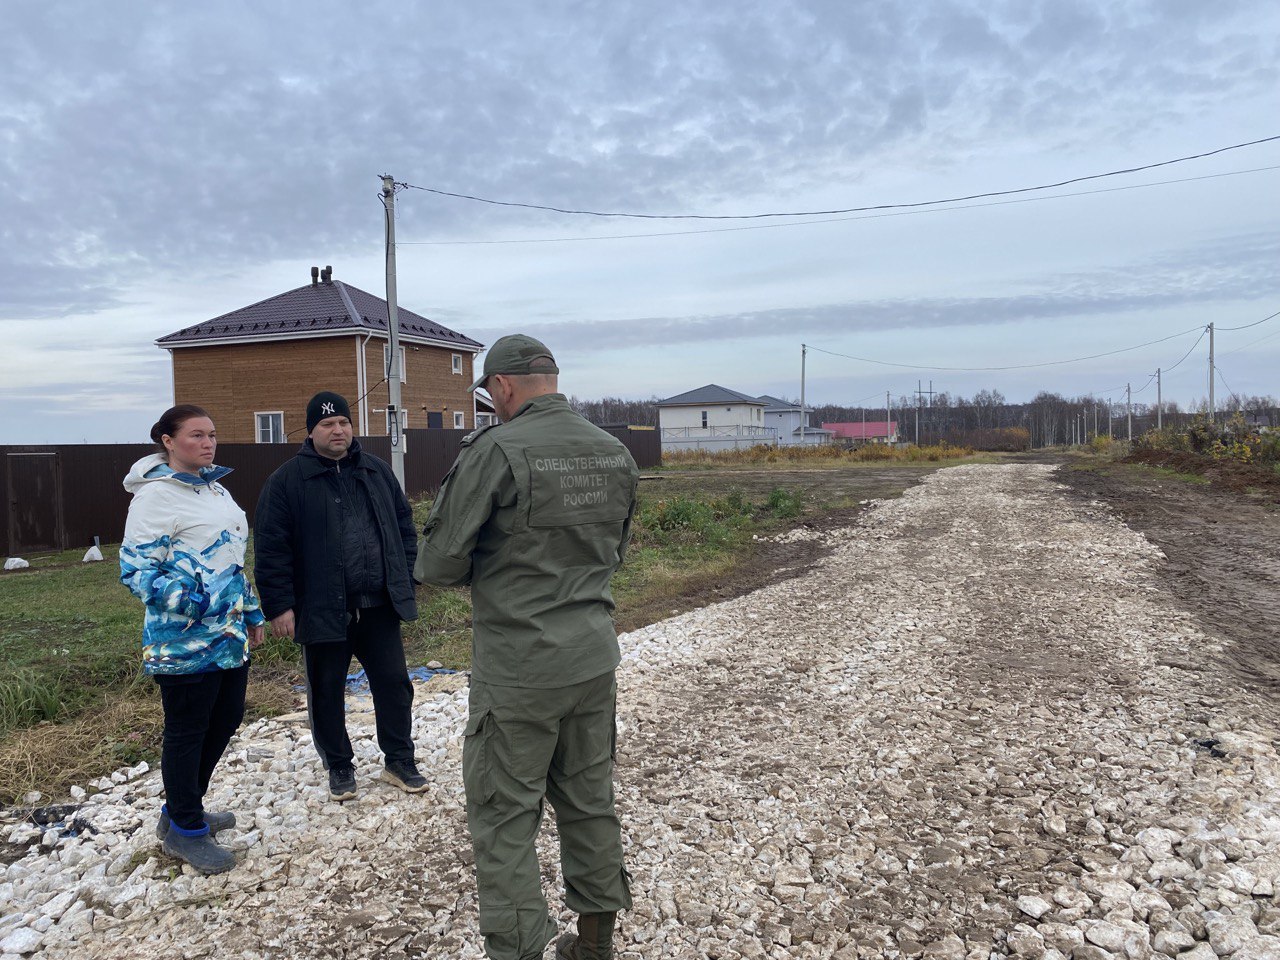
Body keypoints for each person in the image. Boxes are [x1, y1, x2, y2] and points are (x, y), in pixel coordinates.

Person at [415, 335, 639, 960]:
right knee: (590, 800)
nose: (492, 404)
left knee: (505, 814)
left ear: (504, 387)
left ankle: (516, 951)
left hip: (519, 669)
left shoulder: (497, 449)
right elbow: (615, 552)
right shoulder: (613, 450)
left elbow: (439, 562)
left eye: (489, 394)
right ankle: (595, 945)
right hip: (593, 658)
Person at [253, 391, 426, 802]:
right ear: (311, 431)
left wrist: (408, 577)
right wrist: (279, 606)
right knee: (327, 688)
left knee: (394, 684)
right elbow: (271, 548)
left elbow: (404, 526)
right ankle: (339, 765)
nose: (338, 430)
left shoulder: (376, 471)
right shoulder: (287, 481)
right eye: (328, 425)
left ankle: (399, 760)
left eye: (344, 423)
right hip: (322, 607)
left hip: (378, 603)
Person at [120, 404, 265, 875]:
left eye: (213, 434)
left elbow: (231, 562)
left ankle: (182, 811)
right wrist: (203, 605)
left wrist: (252, 610)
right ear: (167, 440)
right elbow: (137, 572)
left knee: (224, 721)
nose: (208, 443)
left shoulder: (215, 489)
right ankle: (185, 829)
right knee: (187, 732)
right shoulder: (155, 498)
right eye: (197, 435)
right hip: (181, 642)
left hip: (228, 637)